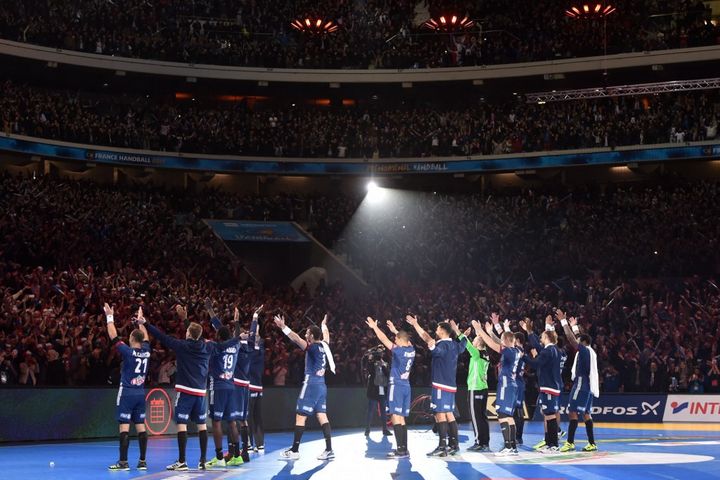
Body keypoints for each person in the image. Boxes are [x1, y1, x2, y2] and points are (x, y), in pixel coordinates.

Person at [143, 304, 240, 471]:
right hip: (201, 393)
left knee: (182, 423)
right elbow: (224, 345)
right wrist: (239, 337)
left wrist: (145, 323)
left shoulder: (182, 346)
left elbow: (161, 336)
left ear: (188, 333)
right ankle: (202, 460)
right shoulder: (208, 346)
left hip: (185, 391)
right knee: (201, 424)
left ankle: (182, 461)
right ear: (200, 335)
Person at [274, 313, 335, 460]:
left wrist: (284, 327)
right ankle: (329, 449)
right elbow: (326, 335)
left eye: (307, 333)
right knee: (322, 416)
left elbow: (296, 339)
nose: (305, 334)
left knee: (300, 416)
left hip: (311, 384)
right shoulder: (324, 345)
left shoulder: (313, 347)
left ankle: (294, 450)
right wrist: (323, 325)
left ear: (312, 336)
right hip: (321, 385)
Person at [406, 315, 467, 457]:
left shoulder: (442, 345)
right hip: (451, 386)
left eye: (438, 328)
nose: (436, 330)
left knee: (440, 415)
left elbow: (434, 346)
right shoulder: (455, 345)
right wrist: (459, 332)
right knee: (449, 414)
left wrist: (418, 326)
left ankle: (442, 446)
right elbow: (464, 342)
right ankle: (454, 445)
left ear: (442, 331)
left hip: (440, 385)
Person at [204, 302, 255, 468]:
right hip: (231, 387)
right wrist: (236, 323)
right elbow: (227, 333)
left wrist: (211, 310)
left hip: (217, 387)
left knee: (217, 422)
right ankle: (237, 456)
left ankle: (219, 457)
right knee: (232, 422)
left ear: (219, 336)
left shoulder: (216, 346)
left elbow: (222, 334)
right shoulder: (237, 345)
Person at [105, 304, 151, 471]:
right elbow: (146, 336)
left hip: (127, 393)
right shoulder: (147, 351)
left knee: (124, 426)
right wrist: (140, 321)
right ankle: (143, 461)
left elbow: (113, 335)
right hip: (140, 394)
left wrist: (109, 316)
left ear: (132, 339)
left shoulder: (128, 352)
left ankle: (123, 462)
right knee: (141, 426)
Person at [366, 317, 415, 458]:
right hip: (406, 386)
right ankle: (404, 449)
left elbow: (383, 339)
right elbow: (405, 338)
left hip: (397, 386)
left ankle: (400, 450)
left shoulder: (398, 351)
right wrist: (394, 330)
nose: (394, 341)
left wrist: (375, 327)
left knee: (395, 417)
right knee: (402, 419)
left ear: (400, 340)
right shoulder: (412, 349)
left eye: (396, 339)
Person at [474, 318, 521, 456]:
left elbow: (491, 343)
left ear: (505, 341)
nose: (500, 342)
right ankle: (512, 447)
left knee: (501, 414)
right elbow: (501, 340)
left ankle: (508, 447)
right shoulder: (516, 350)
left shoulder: (508, 352)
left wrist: (480, 330)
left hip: (506, 385)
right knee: (509, 416)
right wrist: (494, 330)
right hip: (512, 385)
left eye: (502, 340)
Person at [557, 312, 600, 452]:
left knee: (572, 412)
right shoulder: (590, 351)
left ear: (584, 343)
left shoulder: (584, 351)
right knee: (586, 414)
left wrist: (564, 322)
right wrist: (574, 326)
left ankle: (570, 442)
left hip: (581, 384)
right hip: (589, 385)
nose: (578, 342)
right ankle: (592, 443)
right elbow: (577, 338)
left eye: (580, 341)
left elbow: (571, 339)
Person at [521, 317, 563, 454]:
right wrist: (529, 332)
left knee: (550, 415)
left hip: (549, 387)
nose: (541, 339)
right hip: (553, 386)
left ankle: (553, 445)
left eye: (542, 337)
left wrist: (524, 356)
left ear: (547, 337)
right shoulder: (554, 349)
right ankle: (550, 443)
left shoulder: (548, 351)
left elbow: (535, 364)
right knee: (548, 413)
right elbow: (538, 346)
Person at [464, 320, 490, 452]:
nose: (473, 341)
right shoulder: (485, 353)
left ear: (479, 343)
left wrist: (459, 333)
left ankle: (479, 442)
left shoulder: (476, 353)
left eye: (474, 340)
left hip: (475, 388)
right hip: (484, 388)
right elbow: (469, 344)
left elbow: (467, 345)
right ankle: (485, 441)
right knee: (482, 416)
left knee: (475, 417)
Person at [363, 344, 393, 438]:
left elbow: (388, 374)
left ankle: (385, 429)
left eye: (382, 352)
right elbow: (370, 371)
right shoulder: (371, 363)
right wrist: (371, 360)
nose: (381, 353)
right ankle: (367, 429)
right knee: (370, 411)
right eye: (379, 352)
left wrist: (382, 366)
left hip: (382, 390)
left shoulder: (385, 363)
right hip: (373, 390)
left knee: (384, 411)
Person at [248, 313, 266, 452]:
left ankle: (249, 444)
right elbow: (256, 337)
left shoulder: (251, 350)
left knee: (249, 417)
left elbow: (252, 335)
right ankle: (260, 444)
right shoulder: (261, 349)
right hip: (259, 387)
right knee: (258, 416)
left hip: (251, 386)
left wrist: (255, 320)